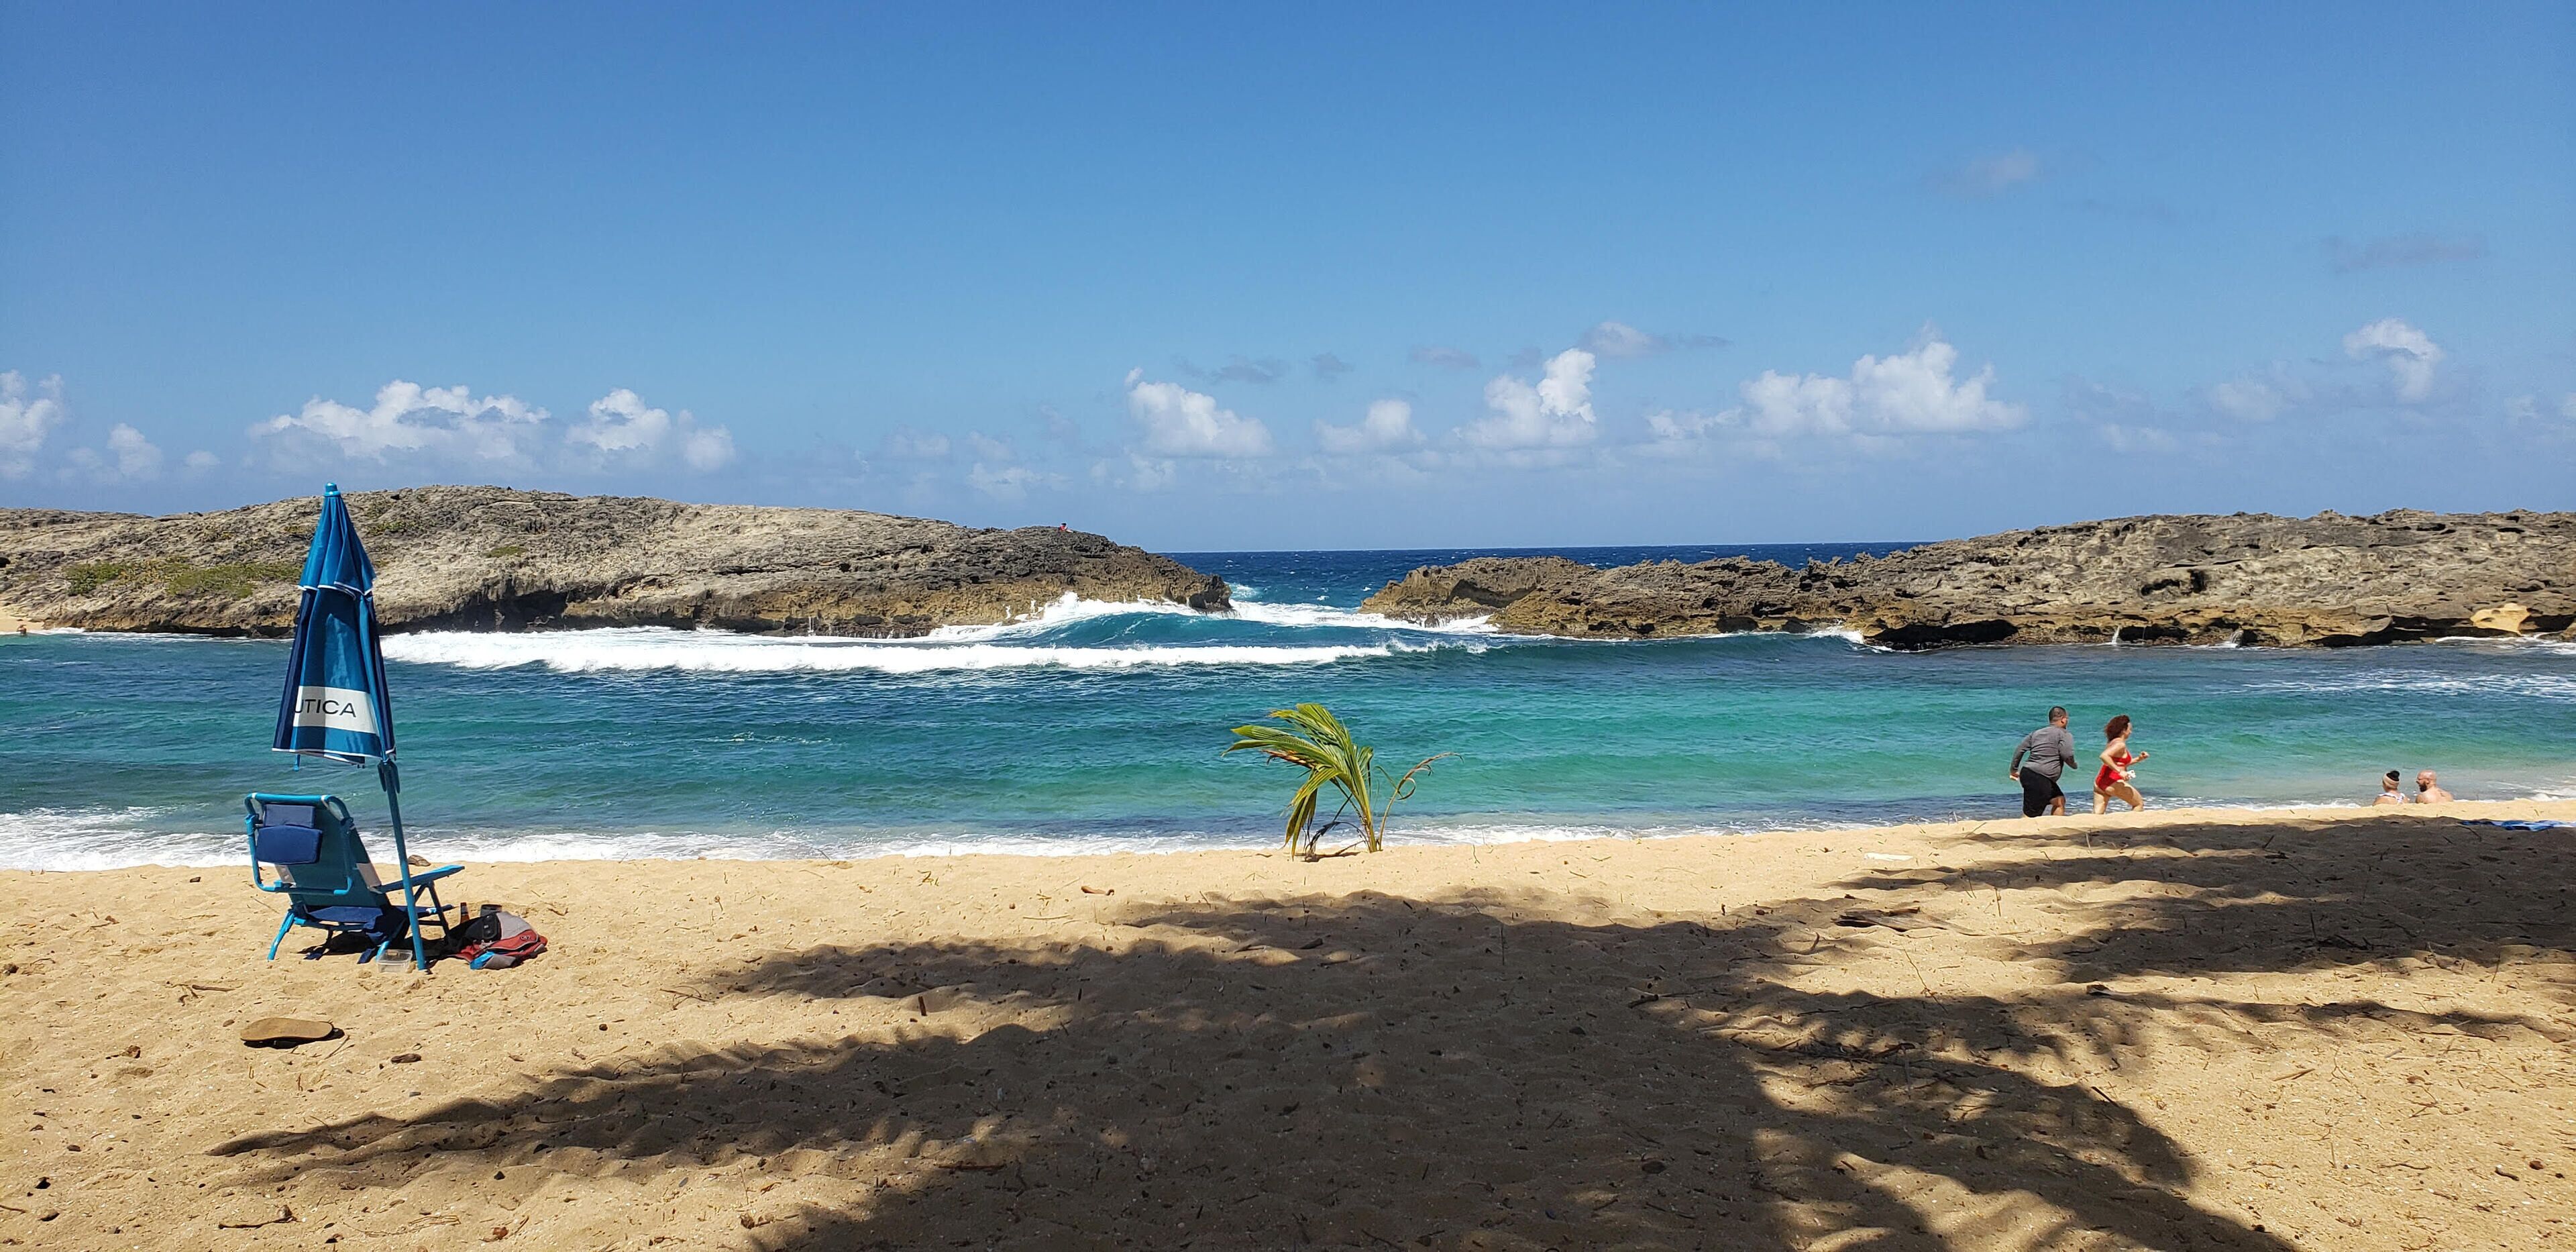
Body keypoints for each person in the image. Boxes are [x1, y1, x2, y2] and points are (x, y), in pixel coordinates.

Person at [2007, 707, 2077, 817]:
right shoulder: (2064, 734)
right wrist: (2073, 765)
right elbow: (2067, 754)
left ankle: (2055, 829)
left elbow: (2020, 750)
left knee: (2059, 801)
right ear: (2063, 719)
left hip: (2029, 774)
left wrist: (2014, 769)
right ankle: (2022, 833)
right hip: (2039, 778)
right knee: (2031, 815)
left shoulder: (2036, 733)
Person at [2092, 715, 2148, 814]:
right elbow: (2104, 756)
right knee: (2138, 804)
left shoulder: (2112, 742)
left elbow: (2120, 763)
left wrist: (2139, 759)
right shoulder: (2120, 745)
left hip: (2100, 782)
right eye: (2130, 729)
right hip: (2113, 782)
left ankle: (2092, 829)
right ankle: (2130, 828)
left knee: (2097, 815)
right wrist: (2120, 772)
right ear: (2123, 730)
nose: (2131, 732)